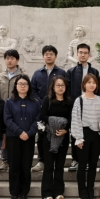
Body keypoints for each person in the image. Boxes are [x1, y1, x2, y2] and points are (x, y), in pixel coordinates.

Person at [4, 75, 41, 199]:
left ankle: (24, 193)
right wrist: (19, 132)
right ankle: (14, 193)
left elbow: (37, 119)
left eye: (25, 84)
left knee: (26, 166)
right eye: (20, 84)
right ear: (16, 86)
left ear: (29, 86)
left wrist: (29, 133)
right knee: (14, 166)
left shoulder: (35, 102)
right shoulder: (9, 102)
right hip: (13, 138)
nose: (22, 86)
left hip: (29, 138)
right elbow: (7, 119)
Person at [31, 45, 66, 173]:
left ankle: (56, 160)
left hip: (57, 110)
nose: (49, 56)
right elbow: (33, 91)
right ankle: (41, 161)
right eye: (46, 54)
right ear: (43, 56)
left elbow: (65, 89)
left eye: (51, 54)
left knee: (58, 135)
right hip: (42, 110)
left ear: (55, 56)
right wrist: (42, 103)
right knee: (42, 136)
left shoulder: (62, 73)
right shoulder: (37, 73)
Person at [66, 43, 100, 171]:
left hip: (91, 105)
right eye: (80, 52)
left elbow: (98, 89)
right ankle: (76, 160)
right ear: (77, 54)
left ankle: (89, 160)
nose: (83, 55)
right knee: (75, 132)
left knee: (91, 134)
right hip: (76, 105)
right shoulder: (71, 71)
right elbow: (67, 90)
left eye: (85, 53)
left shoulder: (94, 72)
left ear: (89, 55)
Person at [71, 74, 100, 199]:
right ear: (84, 84)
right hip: (83, 134)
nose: (91, 85)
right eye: (89, 82)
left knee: (93, 164)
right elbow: (75, 119)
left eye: (94, 82)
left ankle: (90, 189)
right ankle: (82, 191)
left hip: (97, 135)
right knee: (82, 164)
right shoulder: (79, 100)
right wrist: (78, 138)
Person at [40, 76, 72, 199]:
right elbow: (43, 115)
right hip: (48, 136)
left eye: (62, 85)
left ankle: (59, 192)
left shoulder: (69, 102)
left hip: (63, 137)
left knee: (59, 165)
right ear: (53, 87)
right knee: (48, 166)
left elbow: (71, 119)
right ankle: (46, 193)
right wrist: (55, 125)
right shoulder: (47, 100)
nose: (60, 87)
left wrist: (65, 129)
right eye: (58, 85)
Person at [0, 49, 27, 172]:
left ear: (17, 60)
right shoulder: (0, 76)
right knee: (4, 134)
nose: (9, 61)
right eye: (7, 58)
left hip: (18, 110)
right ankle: (4, 161)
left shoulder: (22, 76)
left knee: (15, 134)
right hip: (3, 109)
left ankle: (16, 160)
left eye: (12, 58)